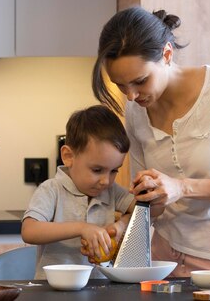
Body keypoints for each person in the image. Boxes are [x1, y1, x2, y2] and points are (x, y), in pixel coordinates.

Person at [90, 6, 210, 277]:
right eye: (121, 85)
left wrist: (182, 187)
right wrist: (121, 227)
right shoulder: (135, 111)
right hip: (163, 259)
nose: (131, 96)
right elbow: (149, 199)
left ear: (167, 54)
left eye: (140, 81)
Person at [22, 105, 139, 280]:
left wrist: (121, 225)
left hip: (100, 288)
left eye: (114, 171)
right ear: (68, 156)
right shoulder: (51, 189)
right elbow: (29, 231)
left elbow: (146, 210)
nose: (106, 181)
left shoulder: (111, 191)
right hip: (54, 289)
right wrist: (81, 228)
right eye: (97, 169)